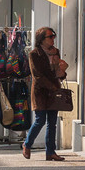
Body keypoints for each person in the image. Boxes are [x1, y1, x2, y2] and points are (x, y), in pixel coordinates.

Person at [22, 27, 68, 161]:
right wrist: (52, 86)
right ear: (42, 39)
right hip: (41, 92)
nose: (53, 38)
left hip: (54, 92)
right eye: (50, 36)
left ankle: (50, 151)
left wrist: (63, 71)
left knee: (52, 122)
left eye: (54, 36)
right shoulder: (34, 54)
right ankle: (27, 143)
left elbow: (58, 74)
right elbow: (37, 75)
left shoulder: (56, 52)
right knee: (40, 120)